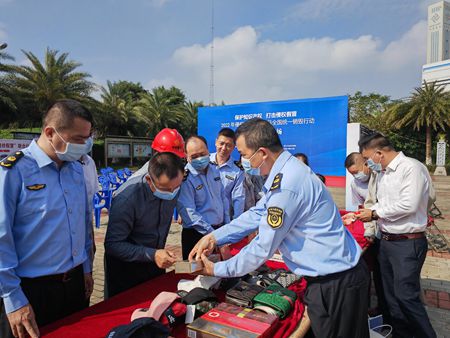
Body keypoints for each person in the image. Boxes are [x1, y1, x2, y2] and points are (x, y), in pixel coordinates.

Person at [189, 118, 370, 338]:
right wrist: (215, 237)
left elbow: (261, 248)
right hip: (332, 278)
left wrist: (216, 270)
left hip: (335, 284)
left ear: (262, 153)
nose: (243, 161)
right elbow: (257, 212)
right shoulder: (285, 172)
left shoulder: (286, 185)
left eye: (245, 155)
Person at [0, 99, 94, 338]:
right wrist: (13, 298)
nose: (84, 146)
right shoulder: (13, 172)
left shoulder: (75, 169)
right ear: (50, 132)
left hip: (73, 286)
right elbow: (2, 240)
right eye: (78, 139)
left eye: (87, 138)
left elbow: (83, 222)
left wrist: (86, 268)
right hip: (31, 291)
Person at [357, 133, 437, 338]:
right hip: (387, 241)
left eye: (367, 158)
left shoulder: (411, 168)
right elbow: (382, 203)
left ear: (379, 153)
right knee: (390, 296)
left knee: (406, 296)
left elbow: (409, 205)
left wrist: (374, 213)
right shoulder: (383, 173)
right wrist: (361, 215)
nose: (367, 164)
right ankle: (401, 334)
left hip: (407, 244)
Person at [104, 152, 184, 298]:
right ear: (149, 180)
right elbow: (113, 245)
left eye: (176, 188)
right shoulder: (127, 199)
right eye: (165, 189)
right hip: (126, 270)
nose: (172, 194)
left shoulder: (173, 185)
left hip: (156, 263)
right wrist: (152, 254)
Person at [177, 136, 230, 259]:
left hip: (219, 230)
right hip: (197, 234)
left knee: (220, 273)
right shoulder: (185, 178)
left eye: (202, 154)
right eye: (194, 156)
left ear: (208, 150)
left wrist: (227, 227)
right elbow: (189, 213)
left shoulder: (214, 169)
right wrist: (213, 234)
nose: (199, 159)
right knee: (197, 275)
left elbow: (223, 198)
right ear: (186, 156)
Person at [210, 128, 245, 219]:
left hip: (222, 219)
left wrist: (236, 222)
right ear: (216, 142)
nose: (224, 148)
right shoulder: (204, 161)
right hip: (200, 217)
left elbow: (238, 198)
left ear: (234, 147)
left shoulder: (237, 170)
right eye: (221, 144)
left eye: (228, 145)